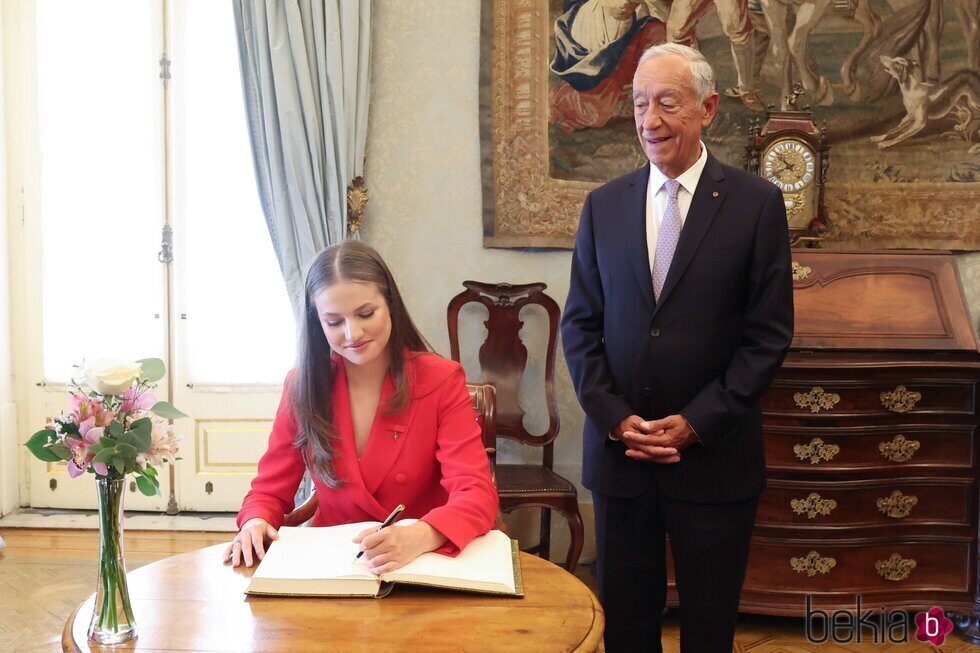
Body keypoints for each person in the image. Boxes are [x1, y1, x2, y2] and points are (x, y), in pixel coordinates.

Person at [560, 43, 793, 652]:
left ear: (708, 107)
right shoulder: (602, 207)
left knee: (709, 631)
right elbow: (580, 327)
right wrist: (614, 419)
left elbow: (767, 338)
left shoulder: (756, 205)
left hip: (714, 461)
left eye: (668, 102)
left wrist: (697, 422)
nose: (650, 120)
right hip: (623, 461)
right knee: (627, 631)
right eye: (640, 104)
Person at [224, 241, 498, 574]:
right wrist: (255, 520)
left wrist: (420, 536)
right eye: (334, 322)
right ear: (316, 324)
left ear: (391, 305)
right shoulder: (302, 386)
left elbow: (476, 493)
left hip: (425, 564)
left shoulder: (441, 379)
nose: (353, 333)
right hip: (332, 567)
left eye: (366, 314)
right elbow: (268, 490)